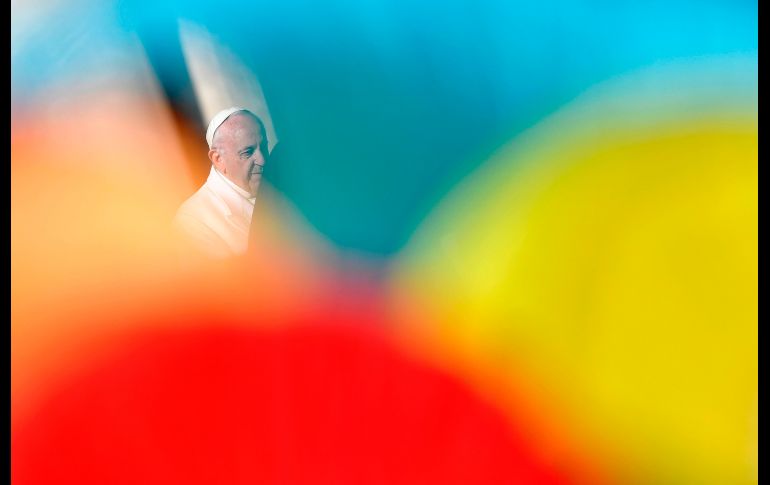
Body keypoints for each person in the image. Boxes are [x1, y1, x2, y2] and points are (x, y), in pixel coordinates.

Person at [173, 107, 269, 259]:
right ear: (218, 159)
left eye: (263, 147)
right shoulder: (193, 221)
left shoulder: (284, 184)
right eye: (247, 153)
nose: (262, 160)